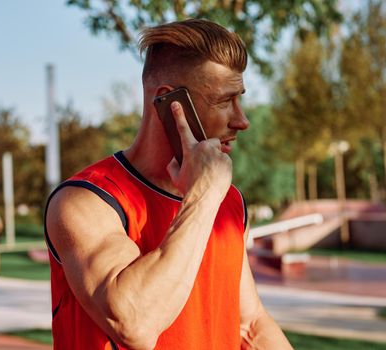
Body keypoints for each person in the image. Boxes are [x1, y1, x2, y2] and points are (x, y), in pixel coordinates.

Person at [45, 19, 293, 349]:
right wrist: (204, 196)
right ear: (170, 103)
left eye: (240, 99)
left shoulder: (229, 202)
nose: (241, 120)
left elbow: (250, 325)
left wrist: (210, 195)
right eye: (224, 100)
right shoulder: (86, 202)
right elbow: (134, 325)